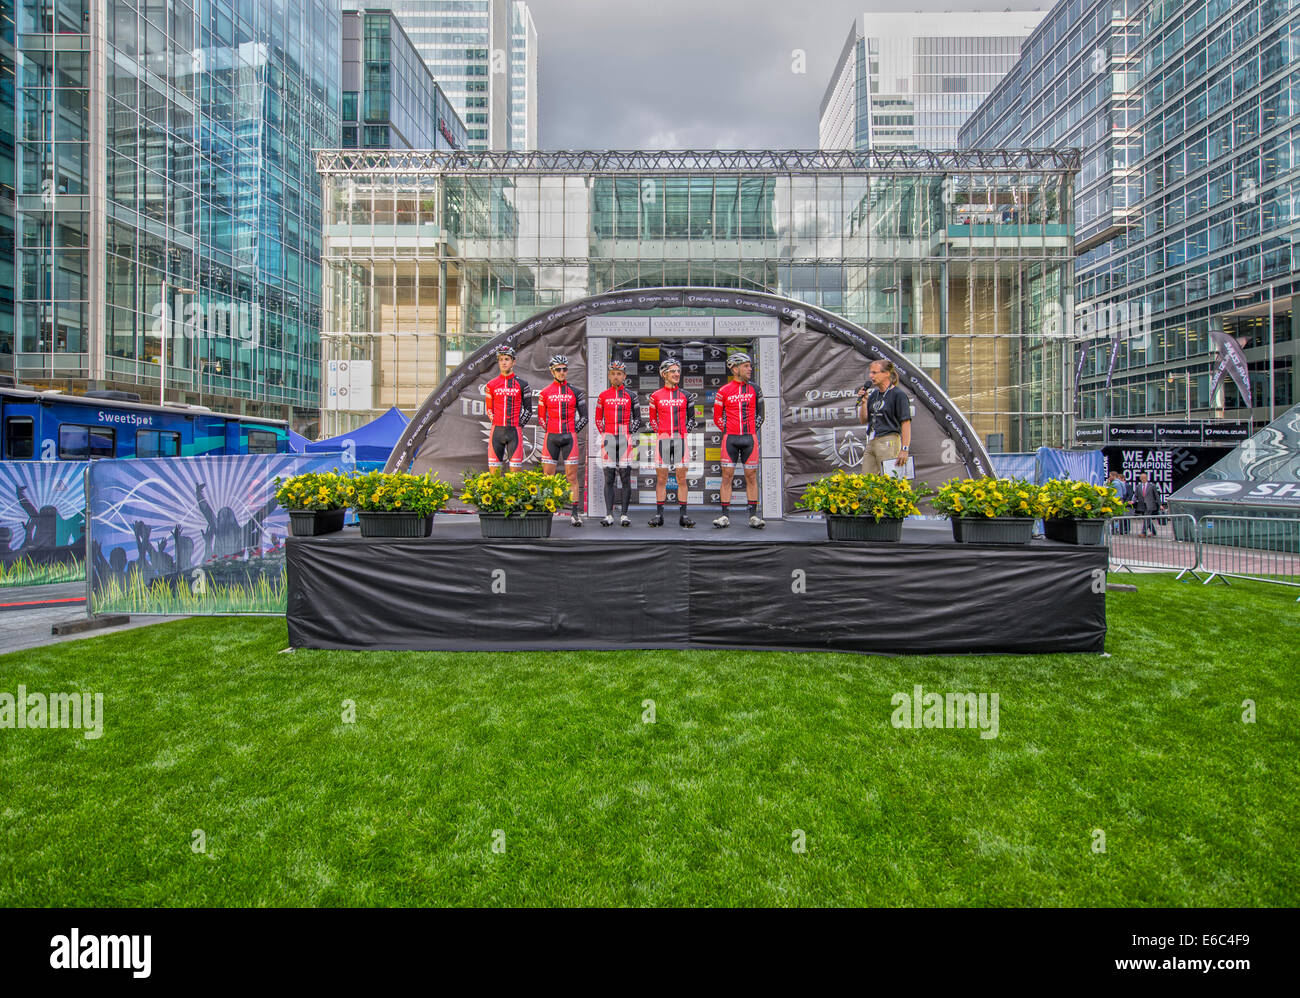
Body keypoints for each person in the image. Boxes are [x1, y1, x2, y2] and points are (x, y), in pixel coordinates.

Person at [711, 352, 765, 529]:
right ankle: (725, 516)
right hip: (730, 439)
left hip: (750, 438)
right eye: (746, 366)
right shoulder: (724, 390)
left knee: (751, 476)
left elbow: (761, 416)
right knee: (727, 477)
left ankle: (753, 516)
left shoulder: (755, 389)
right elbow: (718, 418)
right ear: (735, 369)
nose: (750, 369)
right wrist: (730, 430)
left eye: (750, 366)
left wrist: (750, 430)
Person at [646, 356, 698, 528]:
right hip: (663, 440)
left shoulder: (686, 395)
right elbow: (652, 419)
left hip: (680, 439)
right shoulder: (655, 396)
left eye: (678, 371)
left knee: (681, 479)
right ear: (664, 374)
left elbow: (692, 419)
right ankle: (659, 515)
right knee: (661, 479)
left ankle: (683, 516)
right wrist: (661, 432)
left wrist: (683, 432)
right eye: (673, 371)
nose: (677, 374)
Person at [536, 354, 588, 526]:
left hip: (569, 437)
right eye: (558, 369)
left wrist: (573, 431)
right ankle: (546, 510)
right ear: (552, 371)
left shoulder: (576, 392)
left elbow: (585, 417)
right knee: (547, 476)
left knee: (572, 477)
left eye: (564, 369)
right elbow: (541, 418)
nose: (562, 372)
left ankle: (574, 514)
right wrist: (551, 430)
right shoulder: (545, 393)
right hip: (551, 437)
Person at [594, 359, 641, 526]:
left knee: (625, 477)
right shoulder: (603, 396)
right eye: (613, 374)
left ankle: (624, 514)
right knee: (609, 478)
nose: (616, 376)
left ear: (624, 376)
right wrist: (605, 434)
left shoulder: (631, 396)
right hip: (609, 439)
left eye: (619, 374)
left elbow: (638, 419)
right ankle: (609, 514)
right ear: (609, 375)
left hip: (625, 440)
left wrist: (627, 433)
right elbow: (598, 419)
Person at [857, 359, 912, 475]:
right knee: (866, 480)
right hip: (872, 440)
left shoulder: (898, 395)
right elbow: (863, 420)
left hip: (889, 440)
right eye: (870, 373)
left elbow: (906, 423)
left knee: (889, 480)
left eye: (874, 373)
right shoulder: (874, 395)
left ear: (887, 373)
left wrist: (904, 449)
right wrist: (864, 402)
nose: (871, 376)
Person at [483, 345, 532, 475]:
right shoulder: (491, 385)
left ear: (513, 362)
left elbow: (528, 410)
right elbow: (489, 409)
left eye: (507, 359)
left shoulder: (522, 384)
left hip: (514, 431)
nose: (504, 362)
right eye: (501, 359)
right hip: (497, 431)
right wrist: (497, 422)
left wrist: (518, 425)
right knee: (494, 474)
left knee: (515, 474)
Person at [1134, 472, 1161, 537]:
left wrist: (1160, 505)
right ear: (1140, 478)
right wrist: (1133, 501)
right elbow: (1135, 495)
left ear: (1147, 478)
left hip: (1150, 505)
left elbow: (1156, 496)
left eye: (1144, 477)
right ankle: (1153, 532)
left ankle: (1143, 532)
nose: (1143, 479)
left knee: (1147, 518)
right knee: (1147, 518)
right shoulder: (1138, 486)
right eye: (1142, 478)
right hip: (1142, 505)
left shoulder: (1152, 486)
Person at [1106, 470, 1131, 534]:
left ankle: (1114, 530)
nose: (1109, 477)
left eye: (1110, 476)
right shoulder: (1122, 483)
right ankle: (1121, 530)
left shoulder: (1114, 483)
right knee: (1121, 515)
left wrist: (1108, 483)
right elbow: (1125, 492)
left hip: (1115, 500)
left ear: (1114, 476)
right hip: (1121, 500)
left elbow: (1107, 489)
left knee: (1114, 515)